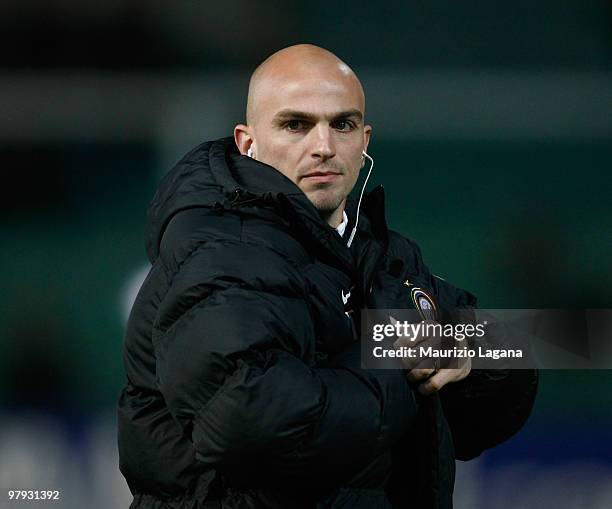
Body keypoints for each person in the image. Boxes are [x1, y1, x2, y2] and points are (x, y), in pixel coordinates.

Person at [117, 44, 537, 509]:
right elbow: (251, 417)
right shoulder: (217, 251)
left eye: (343, 124)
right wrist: (395, 360)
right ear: (246, 142)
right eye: (295, 124)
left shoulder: (384, 255)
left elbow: (523, 350)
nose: (323, 146)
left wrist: (466, 353)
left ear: (365, 140)